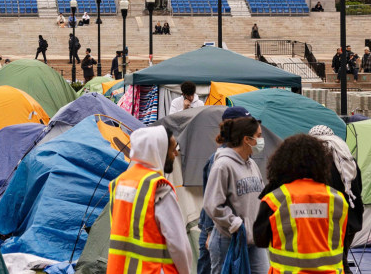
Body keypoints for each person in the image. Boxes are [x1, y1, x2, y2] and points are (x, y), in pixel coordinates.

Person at [105, 125, 195, 274]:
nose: (175, 154)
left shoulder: (119, 183)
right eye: (172, 149)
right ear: (159, 150)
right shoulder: (159, 188)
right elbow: (179, 245)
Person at [254, 134, 348, 274]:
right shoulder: (338, 200)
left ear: (282, 163)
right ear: (321, 163)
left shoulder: (275, 199)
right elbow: (341, 239)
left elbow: (260, 240)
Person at [203, 115, 268, 273]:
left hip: (253, 239)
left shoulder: (252, 164)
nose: (261, 140)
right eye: (259, 136)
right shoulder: (222, 165)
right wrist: (236, 224)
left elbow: (261, 196)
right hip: (228, 240)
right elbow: (212, 204)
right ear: (247, 139)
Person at [195, 106, 252, 274]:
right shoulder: (219, 161)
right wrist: (210, 232)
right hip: (217, 231)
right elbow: (211, 200)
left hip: (234, 231)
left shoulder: (247, 158)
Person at [309, 125, 363, 270]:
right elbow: (358, 189)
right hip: (351, 220)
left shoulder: (319, 165)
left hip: (331, 223)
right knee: (340, 261)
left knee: (336, 264)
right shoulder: (349, 161)